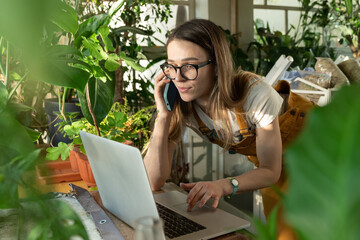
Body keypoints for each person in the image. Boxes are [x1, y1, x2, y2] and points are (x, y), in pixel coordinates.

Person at [143, 18, 296, 239]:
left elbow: (271, 170)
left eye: (189, 66)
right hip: (272, 163)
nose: (178, 77)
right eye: (172, 66)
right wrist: (163, 116)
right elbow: (153, 180)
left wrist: (224, 185)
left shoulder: (255, 95)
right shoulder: (181, 102)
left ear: (216, 66)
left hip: (314, 149)